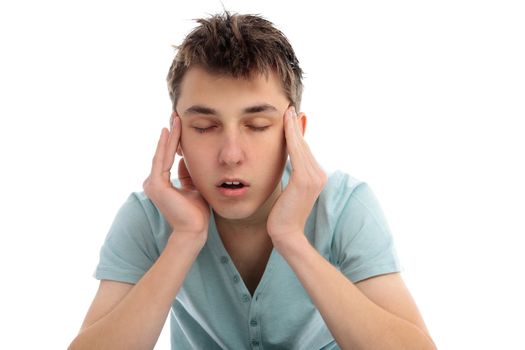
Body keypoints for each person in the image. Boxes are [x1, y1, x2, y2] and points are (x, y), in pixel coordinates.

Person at [69, 11, 436, 350]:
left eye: (257, 126)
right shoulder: (149, 217)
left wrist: (292, 240)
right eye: (205, 127)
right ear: (177, 136)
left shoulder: (344, 207)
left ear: (295, 133)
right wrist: (184, 239)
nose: (231, 154)